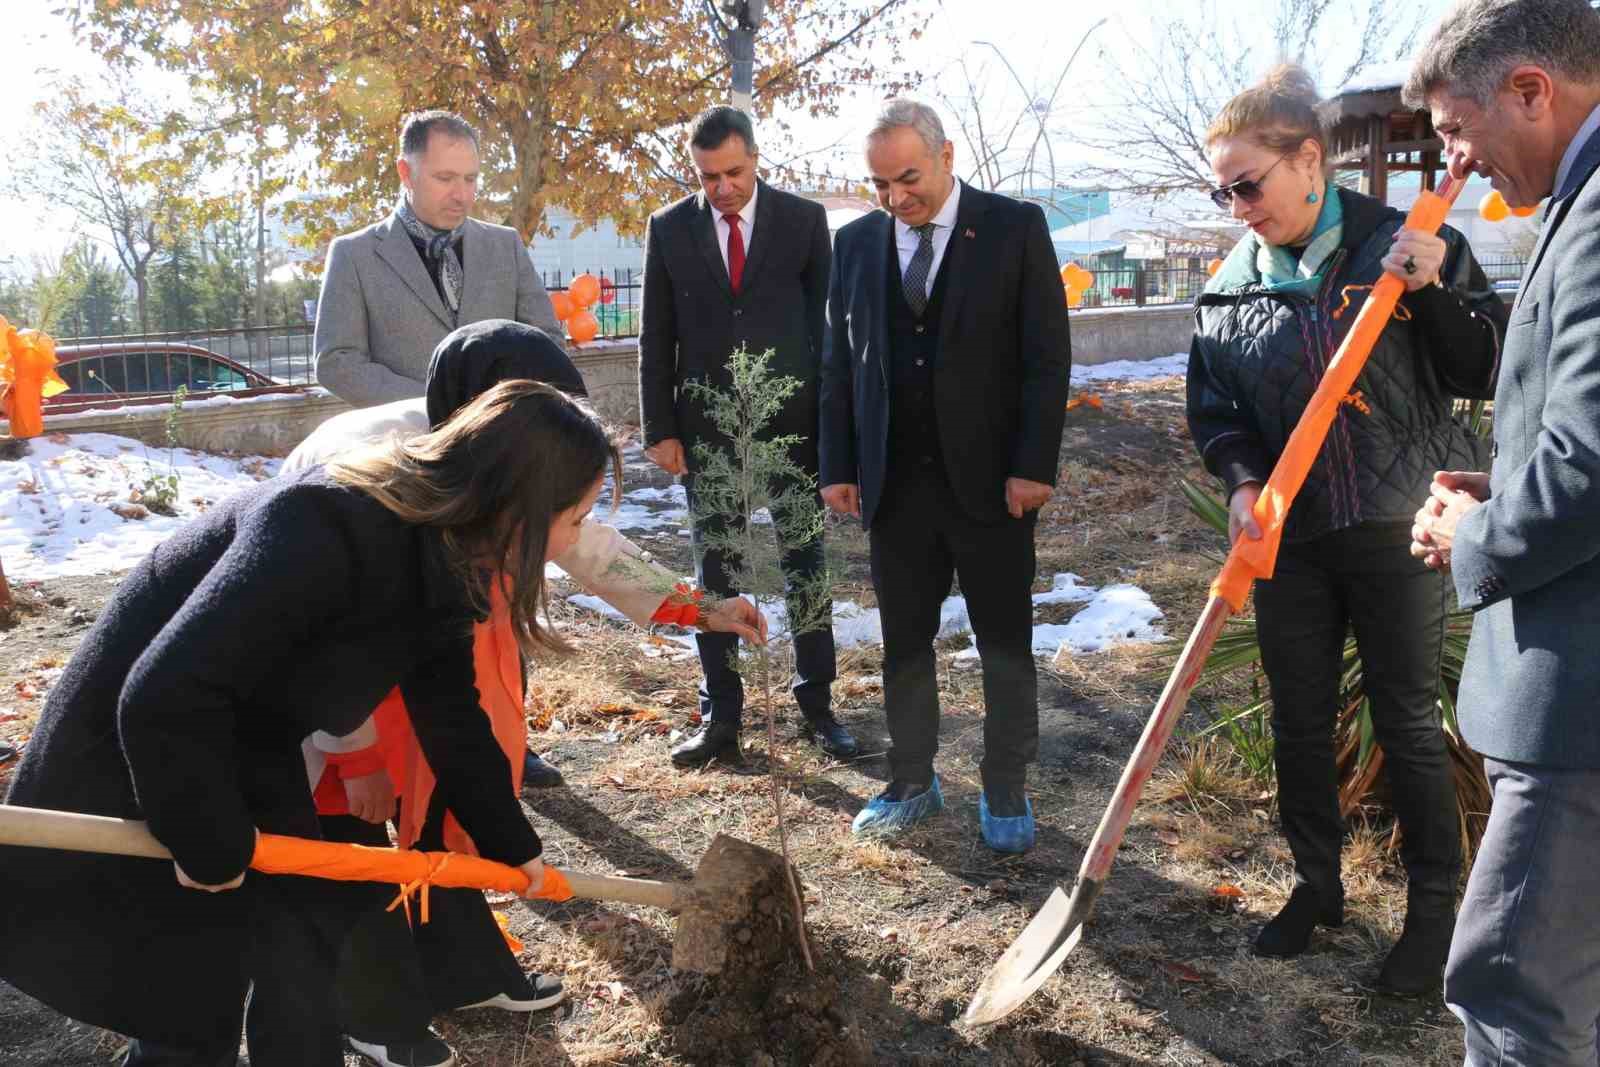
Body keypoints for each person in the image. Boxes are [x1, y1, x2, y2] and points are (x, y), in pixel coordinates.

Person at [0, 381, 617, 1066]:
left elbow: (452, 716)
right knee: (187, 994)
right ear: (519, 508)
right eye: (578, 515)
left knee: (303, 942)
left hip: (244, 736)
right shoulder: (323, 524)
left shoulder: (442, 559)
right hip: (138, 756)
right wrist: (208, 845)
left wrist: (512, 846)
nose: (577, 535)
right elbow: (162, 693)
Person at [285, 320, 763, 1067]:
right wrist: (354, 757)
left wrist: (700, 608)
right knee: (352, 829)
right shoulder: (372, 475)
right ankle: (370, 1010)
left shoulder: (507, 459)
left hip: (425, 646)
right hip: (331, 683)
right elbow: (311, 641)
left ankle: (462, 969)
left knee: (449, 774)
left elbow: (583, 542)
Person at [1188, 64, 1505, 993]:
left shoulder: (1407, 239)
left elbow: (1482, 367)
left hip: (1398, 521)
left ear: (1310, 162)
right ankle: (1316, 885)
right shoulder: (1229, 284)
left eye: (1249, 184)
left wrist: (1437, 286)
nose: (1238, 205)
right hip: (1290, 534)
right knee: (1296, 718)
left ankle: (1433, 913)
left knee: (1405, 718)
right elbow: (1217, 412)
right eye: (1224, 190)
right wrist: (1243, 482)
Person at [1403, 0, 1600, 1058]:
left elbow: (1594, 460)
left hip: (1580, 705)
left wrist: (1476, 532)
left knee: (1514, 994)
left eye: (1451, 129)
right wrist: (1500, 482)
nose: (1453, 162)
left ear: (1529, 89)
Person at [818, 99, 1071, 853]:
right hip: (894, 483)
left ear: (947, 155)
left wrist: (1032, 465)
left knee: (1003, 638)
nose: (897, 198)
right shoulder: (857, 244)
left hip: (993, 483)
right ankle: (911, 778)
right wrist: (838, 463)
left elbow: (1045, 356)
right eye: (880, 184)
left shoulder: (1013, 227)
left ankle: (1004, 782)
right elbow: (840, 360)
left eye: (909, 178)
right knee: (903, 641)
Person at [638, 105, 857, 767]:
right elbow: (657, 335)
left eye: (733, 171)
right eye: (709, 177)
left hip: (792, 434)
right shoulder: (670, 229)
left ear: (755, 158)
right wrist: (661, 428)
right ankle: (721, 718)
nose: (723, 187)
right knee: (714, 576)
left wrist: (830, 432)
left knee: (804, 570)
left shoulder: (803, 221)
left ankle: (817, 704)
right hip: (705, 437)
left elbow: (829, 336)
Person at [314, 109, 560, 407]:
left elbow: (547, 343)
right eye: (445, 178)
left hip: (502, 442)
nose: (462, 195)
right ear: (406, 173)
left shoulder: (505, 245)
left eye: (470, 179)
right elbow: (336, 363)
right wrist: (436, 403)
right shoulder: (353, 254)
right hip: (405, 445)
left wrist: (499, 406)